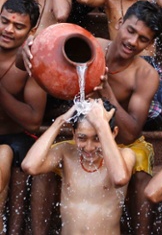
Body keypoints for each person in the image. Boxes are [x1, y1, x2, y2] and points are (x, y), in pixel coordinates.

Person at [25, 1, 162, 235]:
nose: (132, 42)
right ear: (120, 23)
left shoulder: (146, 75)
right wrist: (25, 53)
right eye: (131, 31)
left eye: (143, 39)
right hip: (84, 133)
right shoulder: (92, 47)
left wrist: (106, 90)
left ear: (150, 44)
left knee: (141, 176)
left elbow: (132, 132)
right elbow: (45, 61)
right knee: (43, 167)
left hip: (123, 140)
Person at [21, 99, 135, 235]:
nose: (89, 147)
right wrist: (60, 121)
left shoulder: (126, 155)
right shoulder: (66, 152)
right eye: (82, 138)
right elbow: (29, 166)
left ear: (114, 133)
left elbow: (120, 178)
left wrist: (102, 125)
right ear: (74, 134)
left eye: (97, 138)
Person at [0, 0, 43, 234]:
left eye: (18, 26)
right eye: (4, 21)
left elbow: (34, 121)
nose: (8, 29)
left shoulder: (34, 62)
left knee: (3, 156)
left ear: (31, 30)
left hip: (13, 138)